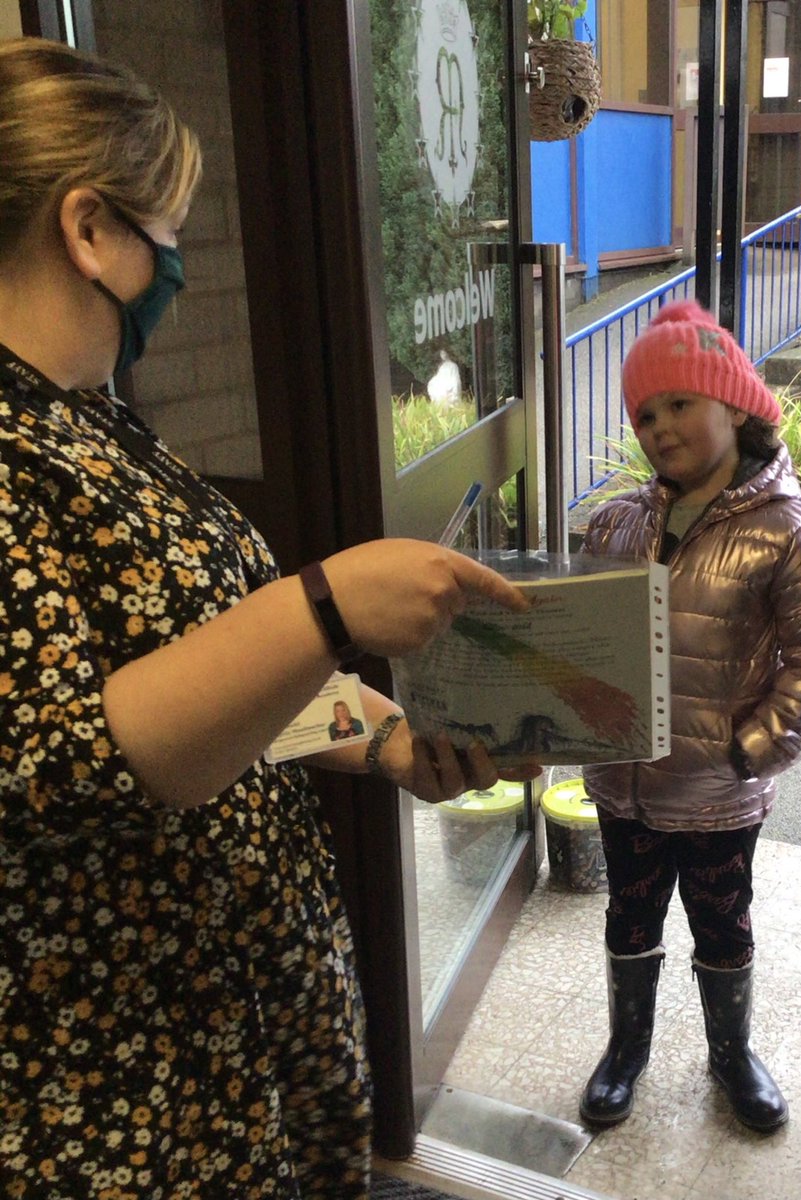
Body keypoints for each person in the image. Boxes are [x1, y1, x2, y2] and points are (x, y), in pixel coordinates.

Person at [0, 38, 540, 1200]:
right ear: (88, 229)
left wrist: (385, 739)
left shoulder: (92, 421)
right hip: (125, 1082)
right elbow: (62, 758)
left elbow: (215, 688)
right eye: (167, 232)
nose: (177, 263)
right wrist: (328, 605)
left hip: (246, 1024)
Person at [577, 299, 801, 1134]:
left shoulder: (782, 530)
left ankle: (730, 1053)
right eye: (644, 413)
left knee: (721, 922)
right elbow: (579, 639)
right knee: (628, 911)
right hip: (622, 782)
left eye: (679, 404)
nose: (659, 427)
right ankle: (626, 1048)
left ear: (734, 404)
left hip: (717, 789)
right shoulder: (618, 522)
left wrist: (751, 750)